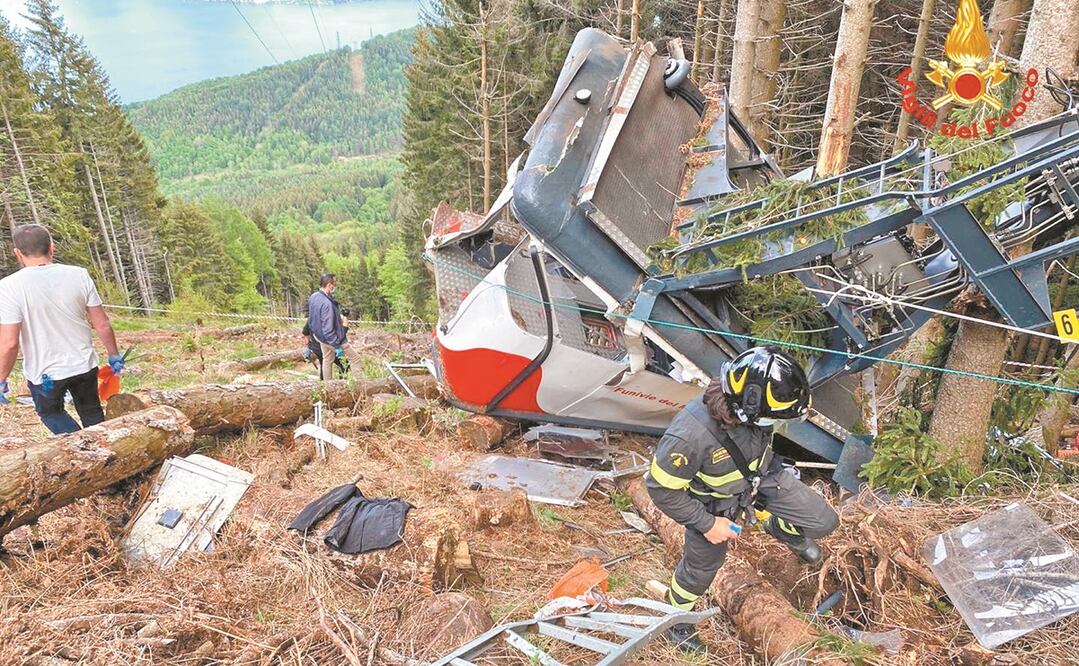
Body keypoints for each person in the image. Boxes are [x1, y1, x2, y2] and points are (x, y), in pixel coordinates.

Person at [647, 346, 839, 654]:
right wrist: (707, 524)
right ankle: (676, 620)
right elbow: (661, 489)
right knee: (700, 571)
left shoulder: (753, 406)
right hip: (712, 504)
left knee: (824, 521)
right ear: (746, 410)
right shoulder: (689, 437)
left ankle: (780, 527)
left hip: (761, 477)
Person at [0, 224, 125, 434]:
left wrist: (1, 378)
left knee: (51, 413)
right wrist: (114, 355)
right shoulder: (79, 275)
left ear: (18, 253)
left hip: (45, 373)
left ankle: (81, 445)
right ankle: (101, 445)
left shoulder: (9, 287)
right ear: (52, 247)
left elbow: (10, 342)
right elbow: (102, 323)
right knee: (91, 411)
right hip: (84, 364)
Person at [306, 272, 347, 381]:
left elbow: (311, 320)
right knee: (352, 359)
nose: (335, 286)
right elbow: (328, 328)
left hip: (319, 338)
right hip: (328, 339)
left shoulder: (314, 296)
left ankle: (327, 385)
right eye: (334, 283)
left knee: (327, 360)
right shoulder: (327, 303)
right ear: (329, 285)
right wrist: (337, 346)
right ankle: (355, 385)